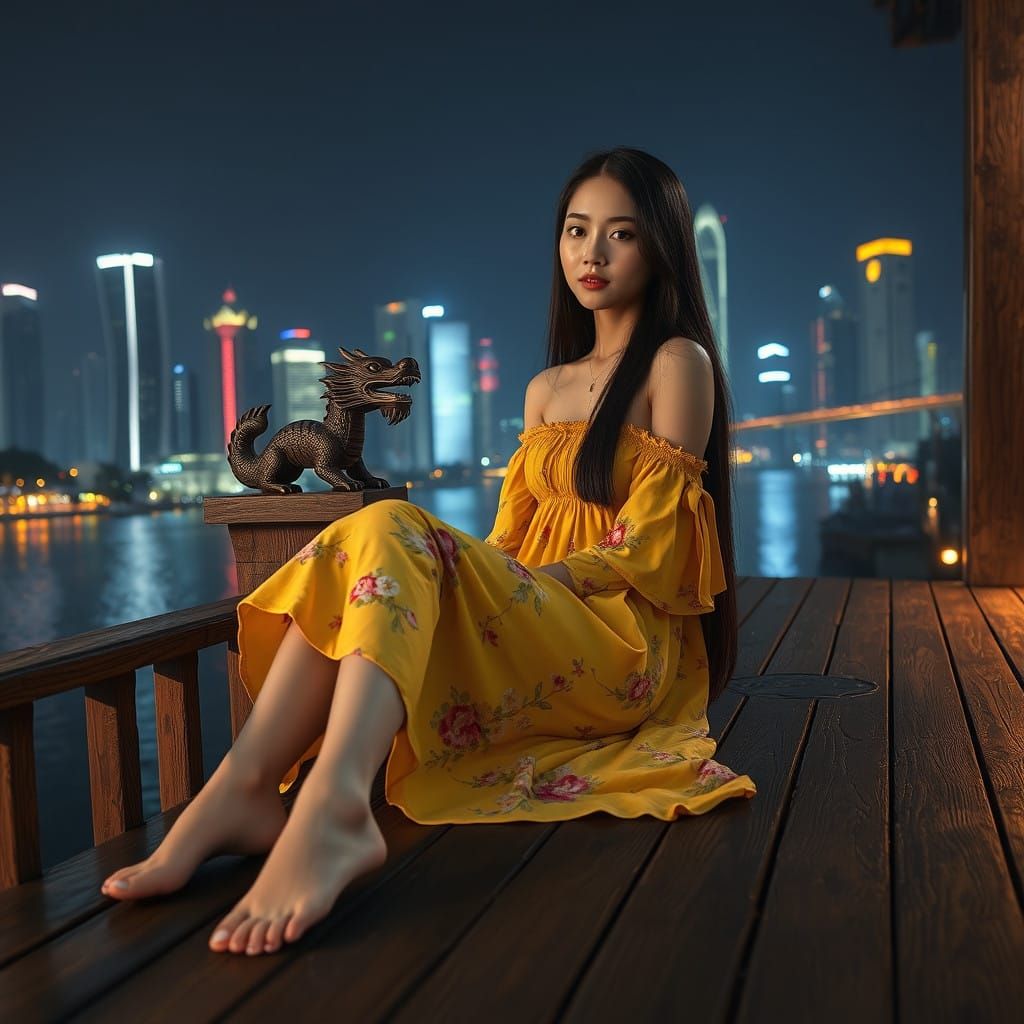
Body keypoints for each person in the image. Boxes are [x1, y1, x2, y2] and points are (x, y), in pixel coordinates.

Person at [98, 146, 757, 955]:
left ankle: (330, 804)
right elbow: (509, 538)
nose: (593, 252)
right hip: (541, 618)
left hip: (621, 641)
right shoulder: (545, 389)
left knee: (392, 526)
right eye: (576, 230)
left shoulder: (676, 362)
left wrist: (525, 583)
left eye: (620, 233)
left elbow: (658, 542)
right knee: (376, 532)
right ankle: (247, 786)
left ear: (660, 246)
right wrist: (490, 580)